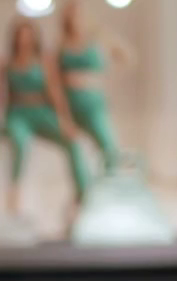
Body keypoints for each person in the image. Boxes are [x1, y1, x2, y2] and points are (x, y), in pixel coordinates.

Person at [2, 18, 88, 217]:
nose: (25, 41)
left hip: (41, 111)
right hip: (18, 113)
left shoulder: (44, 61)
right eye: (21, 36)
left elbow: (56, 92)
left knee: (72, 142)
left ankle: (82, 194)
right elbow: (1, 96)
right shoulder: (8, 64)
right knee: (19, 142)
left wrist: (65, 120)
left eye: (28, 36)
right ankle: (14, 195)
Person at [57, 0, 132, 175]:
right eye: (71, 15)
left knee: (108, 145)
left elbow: (127, 57)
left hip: (93, 103)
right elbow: (56, 82)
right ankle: (82, 188)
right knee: (74, 149)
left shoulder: (98, 39)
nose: (75, 19)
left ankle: (113, 182)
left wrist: (97, 77)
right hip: (71, 105)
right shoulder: (61, 45)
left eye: (78, 15)